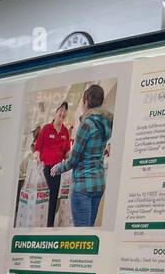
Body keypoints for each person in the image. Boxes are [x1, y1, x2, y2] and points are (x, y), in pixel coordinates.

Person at [51, 85, 112, 228]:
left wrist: (57, 168)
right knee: (88, 231)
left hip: (83, 185)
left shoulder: (87, 124)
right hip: (98, 184)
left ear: (85, 102)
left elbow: (73, 159)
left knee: (81, 235)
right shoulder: (106, 124)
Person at [32, 101, 71, 227]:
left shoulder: (65, 132)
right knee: (43, 196)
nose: (63, 113)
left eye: (65, 111)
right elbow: (38, 147)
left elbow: (66, 153)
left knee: (53, 198)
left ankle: (49, 225)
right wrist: (37, 157)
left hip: (57, 169)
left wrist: (73, 154)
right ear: (56, 112)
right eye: (61, 110)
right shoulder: (46, 128)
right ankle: (39, 221)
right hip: (45, 168)